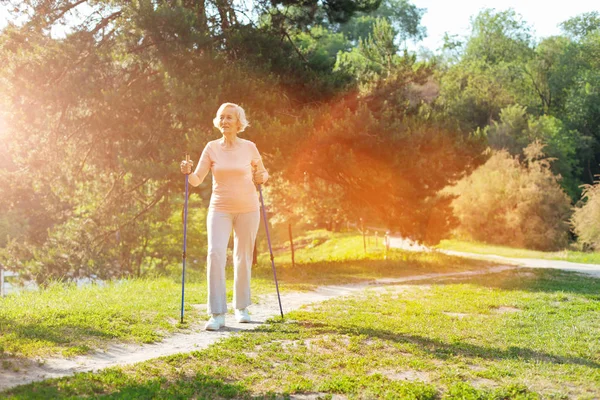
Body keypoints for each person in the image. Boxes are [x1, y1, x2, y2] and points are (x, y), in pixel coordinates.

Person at [180, 103, 268, 331]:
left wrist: (261, 176)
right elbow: (197, 179)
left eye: (229, 117)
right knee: (215, 253)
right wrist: (187, 172)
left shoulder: (250, 147)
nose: (225, 121)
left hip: (248, 208)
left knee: (243, 257)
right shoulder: (211, 148)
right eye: (221, 117)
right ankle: (217, 314)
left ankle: (242, 308)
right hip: (219, 208)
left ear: (239, 122)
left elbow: (263, 173)